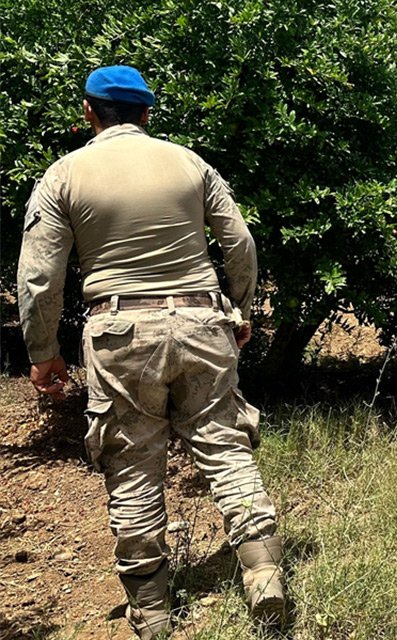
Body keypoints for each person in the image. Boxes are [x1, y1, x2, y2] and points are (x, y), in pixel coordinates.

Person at [17, 66, 286, 637]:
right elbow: (239, 242)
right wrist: (239, 310)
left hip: (119, 331)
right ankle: (263, 576)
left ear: (89, 113)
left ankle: (154, 611)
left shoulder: (63, 174)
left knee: (133, 466)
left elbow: (40, 276)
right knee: (223, 445)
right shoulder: (190, 163)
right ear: (146, 114)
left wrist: (43, 351)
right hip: (201, 318)